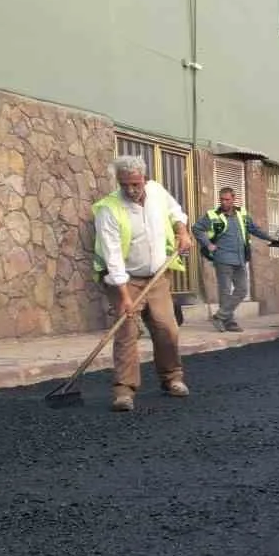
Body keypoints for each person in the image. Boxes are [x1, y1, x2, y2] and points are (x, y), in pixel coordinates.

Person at [91, 154, 195, 412]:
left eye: (135, 184)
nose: (130, 190)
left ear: (144, 179)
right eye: (124, 184)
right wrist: (124, 296)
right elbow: (112, 256)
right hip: (125, 279)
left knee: (166, 328)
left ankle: (172, 379)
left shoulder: (157, 192)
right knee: (127, 332)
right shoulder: (109, 209)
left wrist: (182, 232)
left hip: (158, 276)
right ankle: (124, 391)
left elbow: (176, 212)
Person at [191, 186, 273, 333]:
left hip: (240, 258)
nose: (224, 202)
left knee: (242, 290)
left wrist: (270, 239)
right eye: (222, 199)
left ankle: (220, 316)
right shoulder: (212, 215)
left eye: (227, 199)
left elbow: (254, 229)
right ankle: (229, 322)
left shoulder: (242, 213)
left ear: (233, 199)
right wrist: (208, 244)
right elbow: (197, 228)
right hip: (222, 258)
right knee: (225, 291)